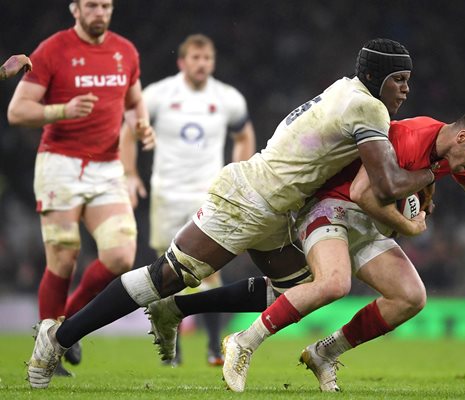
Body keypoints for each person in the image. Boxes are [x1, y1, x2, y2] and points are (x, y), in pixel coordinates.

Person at [26, 37, 436, 390]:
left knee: (297, 288)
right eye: (399, 79)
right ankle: (58, 337)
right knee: (168, 275)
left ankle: (175, 310)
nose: (404, 90)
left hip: (278, 208)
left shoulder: (346, 89)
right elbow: (384, 185)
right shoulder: (370, 108)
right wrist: (431, 173)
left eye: (408, 81)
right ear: (377, 76)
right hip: (250, 198)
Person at [146, 109, 465, 392]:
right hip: (330, 209)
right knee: (332, 283)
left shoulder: (448, 156)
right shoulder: (411, 140)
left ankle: (324, 353)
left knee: (410, 297)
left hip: (368, 223)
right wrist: (409, 225)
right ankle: (242, 343)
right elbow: (361, 192)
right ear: (462, 137)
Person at [8, 0, 154, 377]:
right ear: (74, 9)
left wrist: (142, 126)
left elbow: (135, 103)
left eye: (105, 5)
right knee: (64, 258)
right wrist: (61, 111)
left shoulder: (125, 51)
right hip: (60, 164)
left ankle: (64, 328)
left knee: (121, 257)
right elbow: (17, 111)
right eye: (91, 5)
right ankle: (47, 356)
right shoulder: (53, 50)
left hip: (106, 168)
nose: (99, 13)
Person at [121, 33, 256, 366]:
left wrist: (237, 173)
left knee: (210, 271)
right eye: (195, 58)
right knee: (165, 273)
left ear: (213, 62)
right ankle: (173, 352)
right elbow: (129, 130)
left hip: (207, 194)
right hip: (167, 193)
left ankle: (212, 346)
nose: (202, 64)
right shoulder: (159, 94)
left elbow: (244, 135)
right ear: (182, 62)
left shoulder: (227, 98)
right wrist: (129, 173)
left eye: (207, 58)